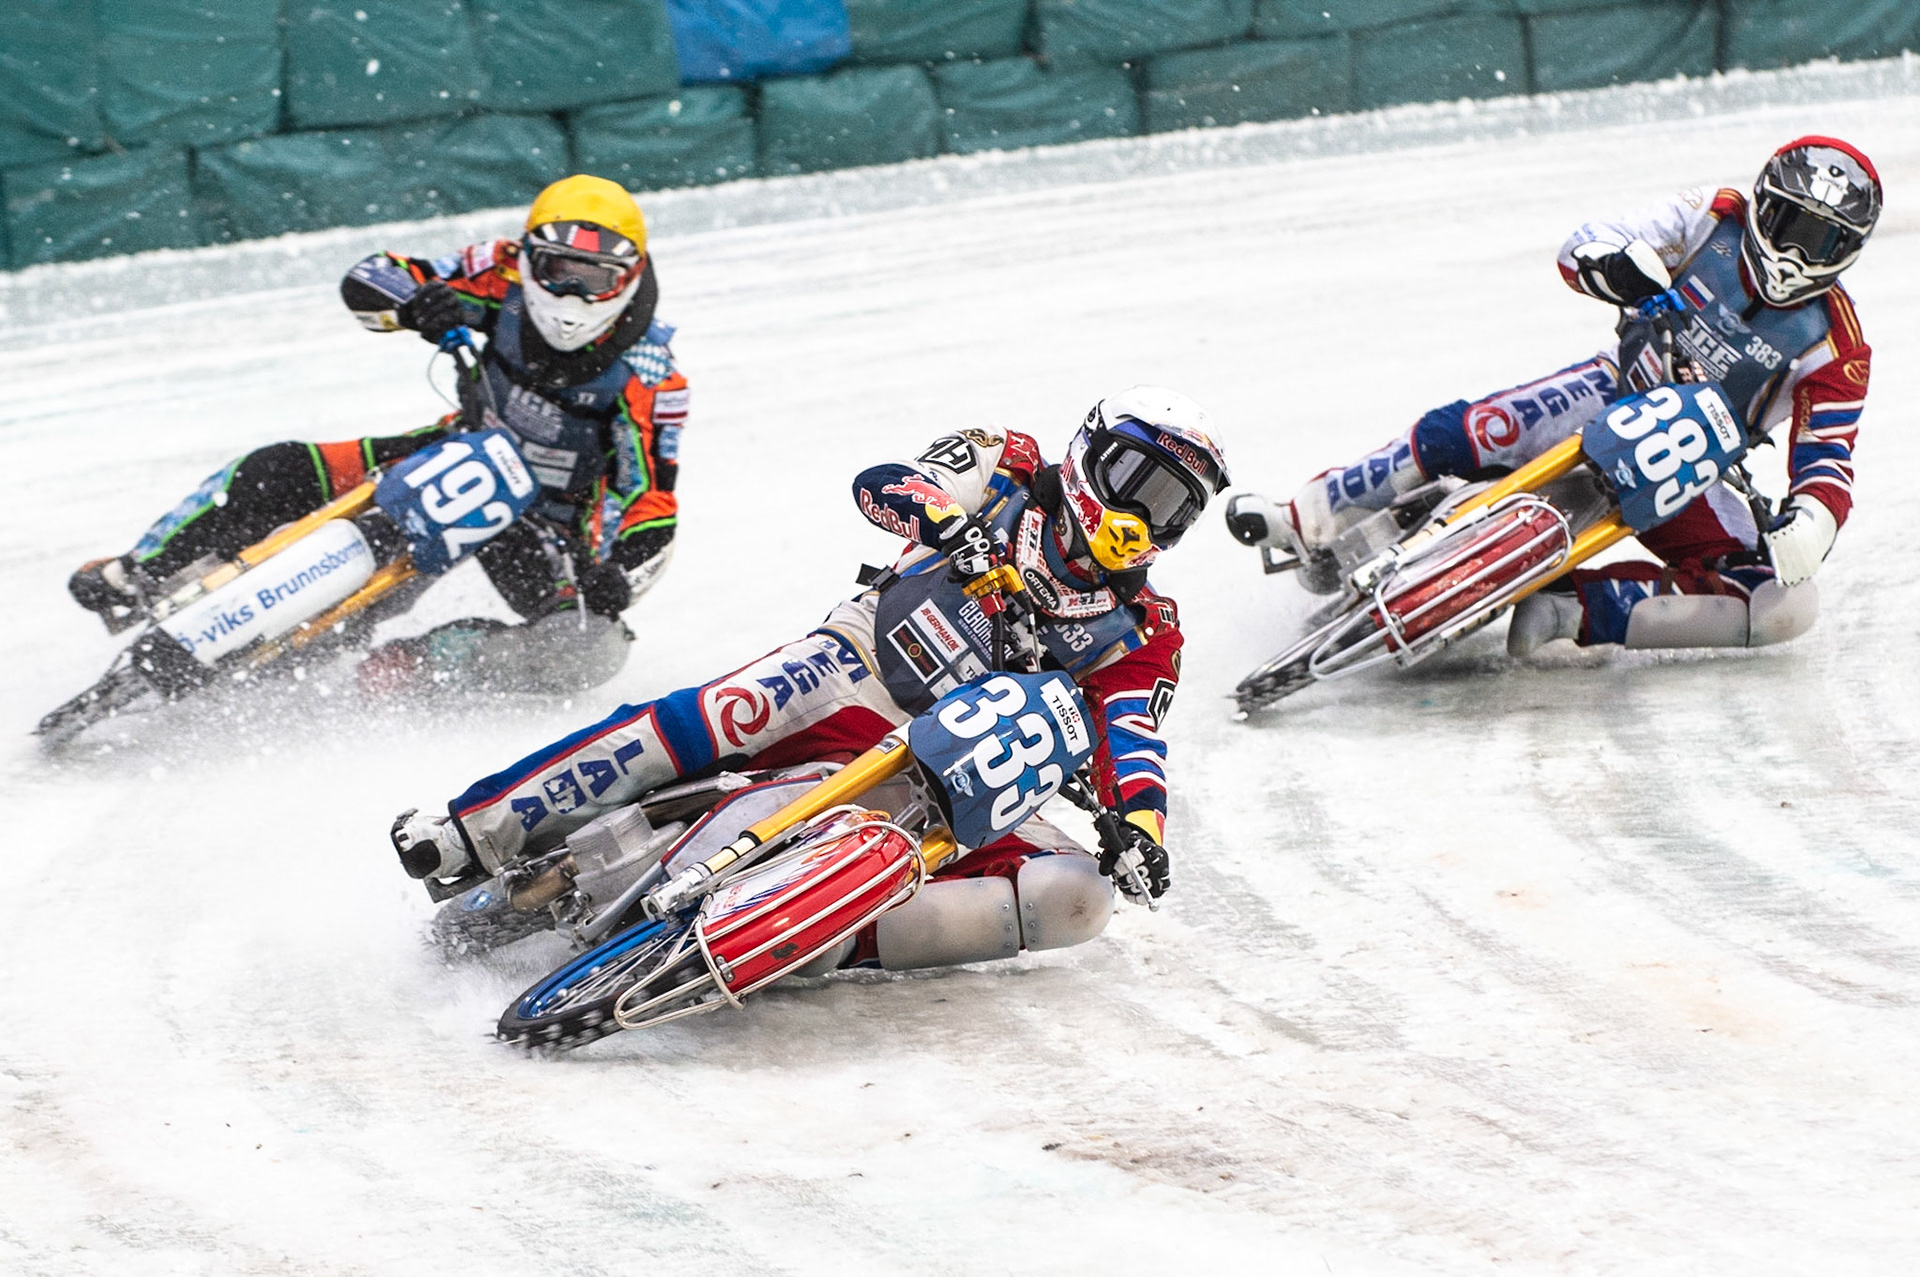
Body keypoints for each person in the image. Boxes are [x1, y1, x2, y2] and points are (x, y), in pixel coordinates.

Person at [392, 387, 1229, 970]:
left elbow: (1132, 734)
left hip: (954, 771)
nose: (1145, 516)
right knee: (718, 712)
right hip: (857, 664)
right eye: (1138, 483)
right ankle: (470, 827)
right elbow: (886, 484)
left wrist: (1142, 830)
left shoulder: (1147, 628)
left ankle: (817, 943)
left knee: (1076, 896)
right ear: (1089, 453)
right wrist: (949, 525)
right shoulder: (1006, 464)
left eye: (1173, 508)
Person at [1228, 137, 1877, 656]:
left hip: (1694, 466)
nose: (1796, 253)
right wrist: (1615, 265)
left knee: (1780, 605)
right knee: (1468, 431)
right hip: (1610, 387)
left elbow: (1828, 457)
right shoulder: (1712, 214)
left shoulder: (1837, 345)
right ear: (1762, 203)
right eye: (1788, 224)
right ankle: (1305, 517)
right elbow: (1588, 241)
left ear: (1847, 252)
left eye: (1821, 240)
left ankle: (1569, 609)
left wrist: (1812, 521)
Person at [67, 174, 689, 695]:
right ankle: (142, 572)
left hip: (551, 524)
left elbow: (653, 501)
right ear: (529, 258)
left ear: (629, 276)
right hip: (453, 452)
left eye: (595, 277)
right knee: (278, 469)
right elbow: (376, 274)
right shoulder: (497, 271)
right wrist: (417, 305)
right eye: (559, 270)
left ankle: (421, 663)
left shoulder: (652, 377)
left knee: (585, 649)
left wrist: (618, 576)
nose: (573, 293)